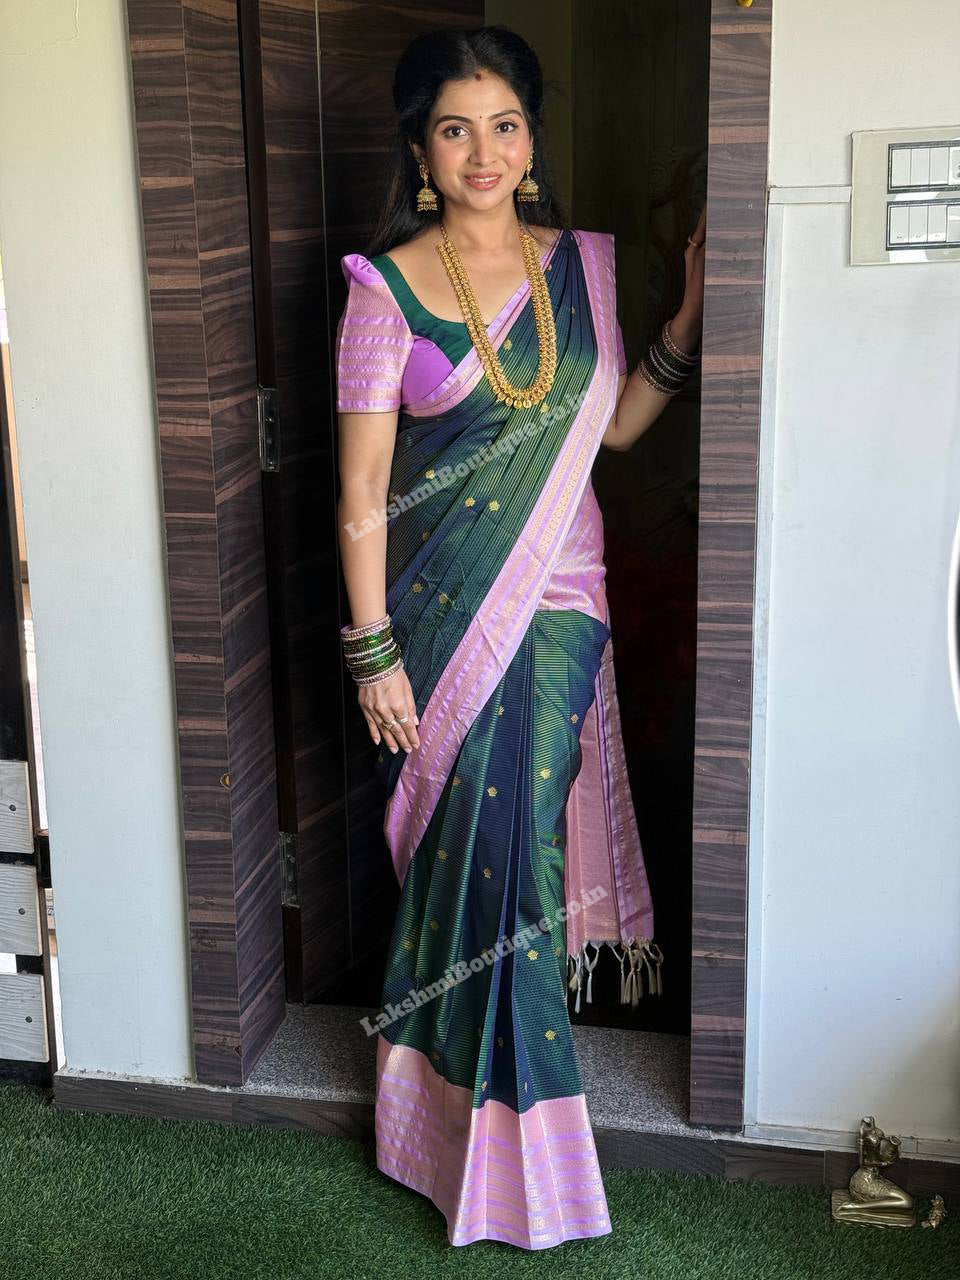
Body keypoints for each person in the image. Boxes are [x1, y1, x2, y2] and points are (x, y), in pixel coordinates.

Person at [334, 24, 705, 1251]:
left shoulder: (581, 270)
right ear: (421, 150)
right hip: (437, 620)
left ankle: (494, 1135)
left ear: (532, 140)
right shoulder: (384, 289)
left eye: (503, 125)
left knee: (517, 854)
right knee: (485, 856)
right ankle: (465, 1132)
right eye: (455, 128)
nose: (482, 151)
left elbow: (617, 432)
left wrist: (688, 317)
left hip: (561, 605)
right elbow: (361, 489)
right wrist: (374, 650)